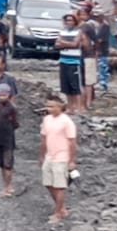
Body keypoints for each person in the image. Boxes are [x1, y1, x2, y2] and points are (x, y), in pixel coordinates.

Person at [39, 96, 77, 224]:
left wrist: (71, 160)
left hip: (62, 157)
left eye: (52, 106)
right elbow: (44, 138)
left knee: (59, 186)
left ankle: (57, 213)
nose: (49, 109)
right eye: (48, 106)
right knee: (48, 183)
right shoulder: (47, 119)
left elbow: (72, 142)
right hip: (49, 156)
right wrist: (41, 155)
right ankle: (61, 208)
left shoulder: (66, 122)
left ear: (60, 107)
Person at [0, 83, 18, 197]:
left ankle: (7, 188)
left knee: (7, 165)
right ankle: (6, 185)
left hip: (7, 140)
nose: (1, 97)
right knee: (2, 164)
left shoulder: (11, 108)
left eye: (4, 95)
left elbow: (15, 123)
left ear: (9, 95)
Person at [55, 13, 84, 113]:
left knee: (75, 85)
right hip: (63, 60)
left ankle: (79, 107)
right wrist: (67, 44)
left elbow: (75, 44)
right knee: (66, 85)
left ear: (75, 21)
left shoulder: (78, 32)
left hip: (74, 61)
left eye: (71, 20)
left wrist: (63, 43)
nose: (69, 22)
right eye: (67, 20)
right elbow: (57, 45)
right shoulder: (62, 32)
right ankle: (70, 107)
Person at [91, 7, 112, 94]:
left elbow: (99, 40)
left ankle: (103, 84)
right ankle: (101, 83)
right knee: (100, 66)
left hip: (102, 50)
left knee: (102, 66)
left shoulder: (104, 26)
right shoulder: (98, 25)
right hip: (100, 49)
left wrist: (95, 49)